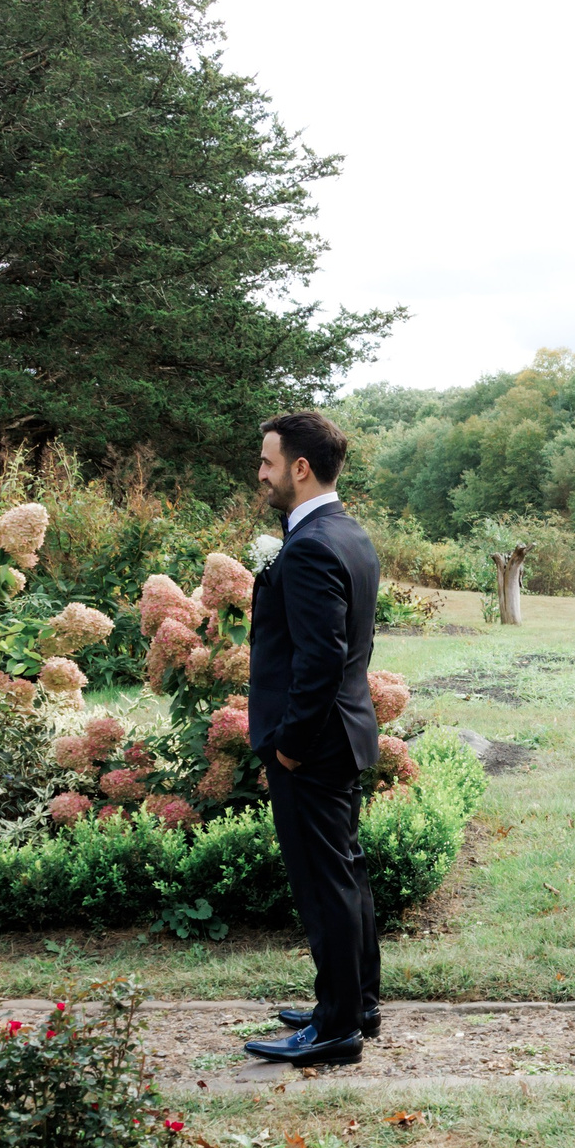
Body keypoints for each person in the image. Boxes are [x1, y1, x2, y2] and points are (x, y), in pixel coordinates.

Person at [240, 412, 384, 1067]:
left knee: (324, 884)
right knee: (346, 874)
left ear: (300, 467)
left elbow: (319, 661)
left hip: (315, 745)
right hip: (346, 733)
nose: (261, 474)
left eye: (268, 462)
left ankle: (335, 1029)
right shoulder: (348, 534)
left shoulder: (310, 546)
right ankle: (358, 1003)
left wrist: (289, 742)